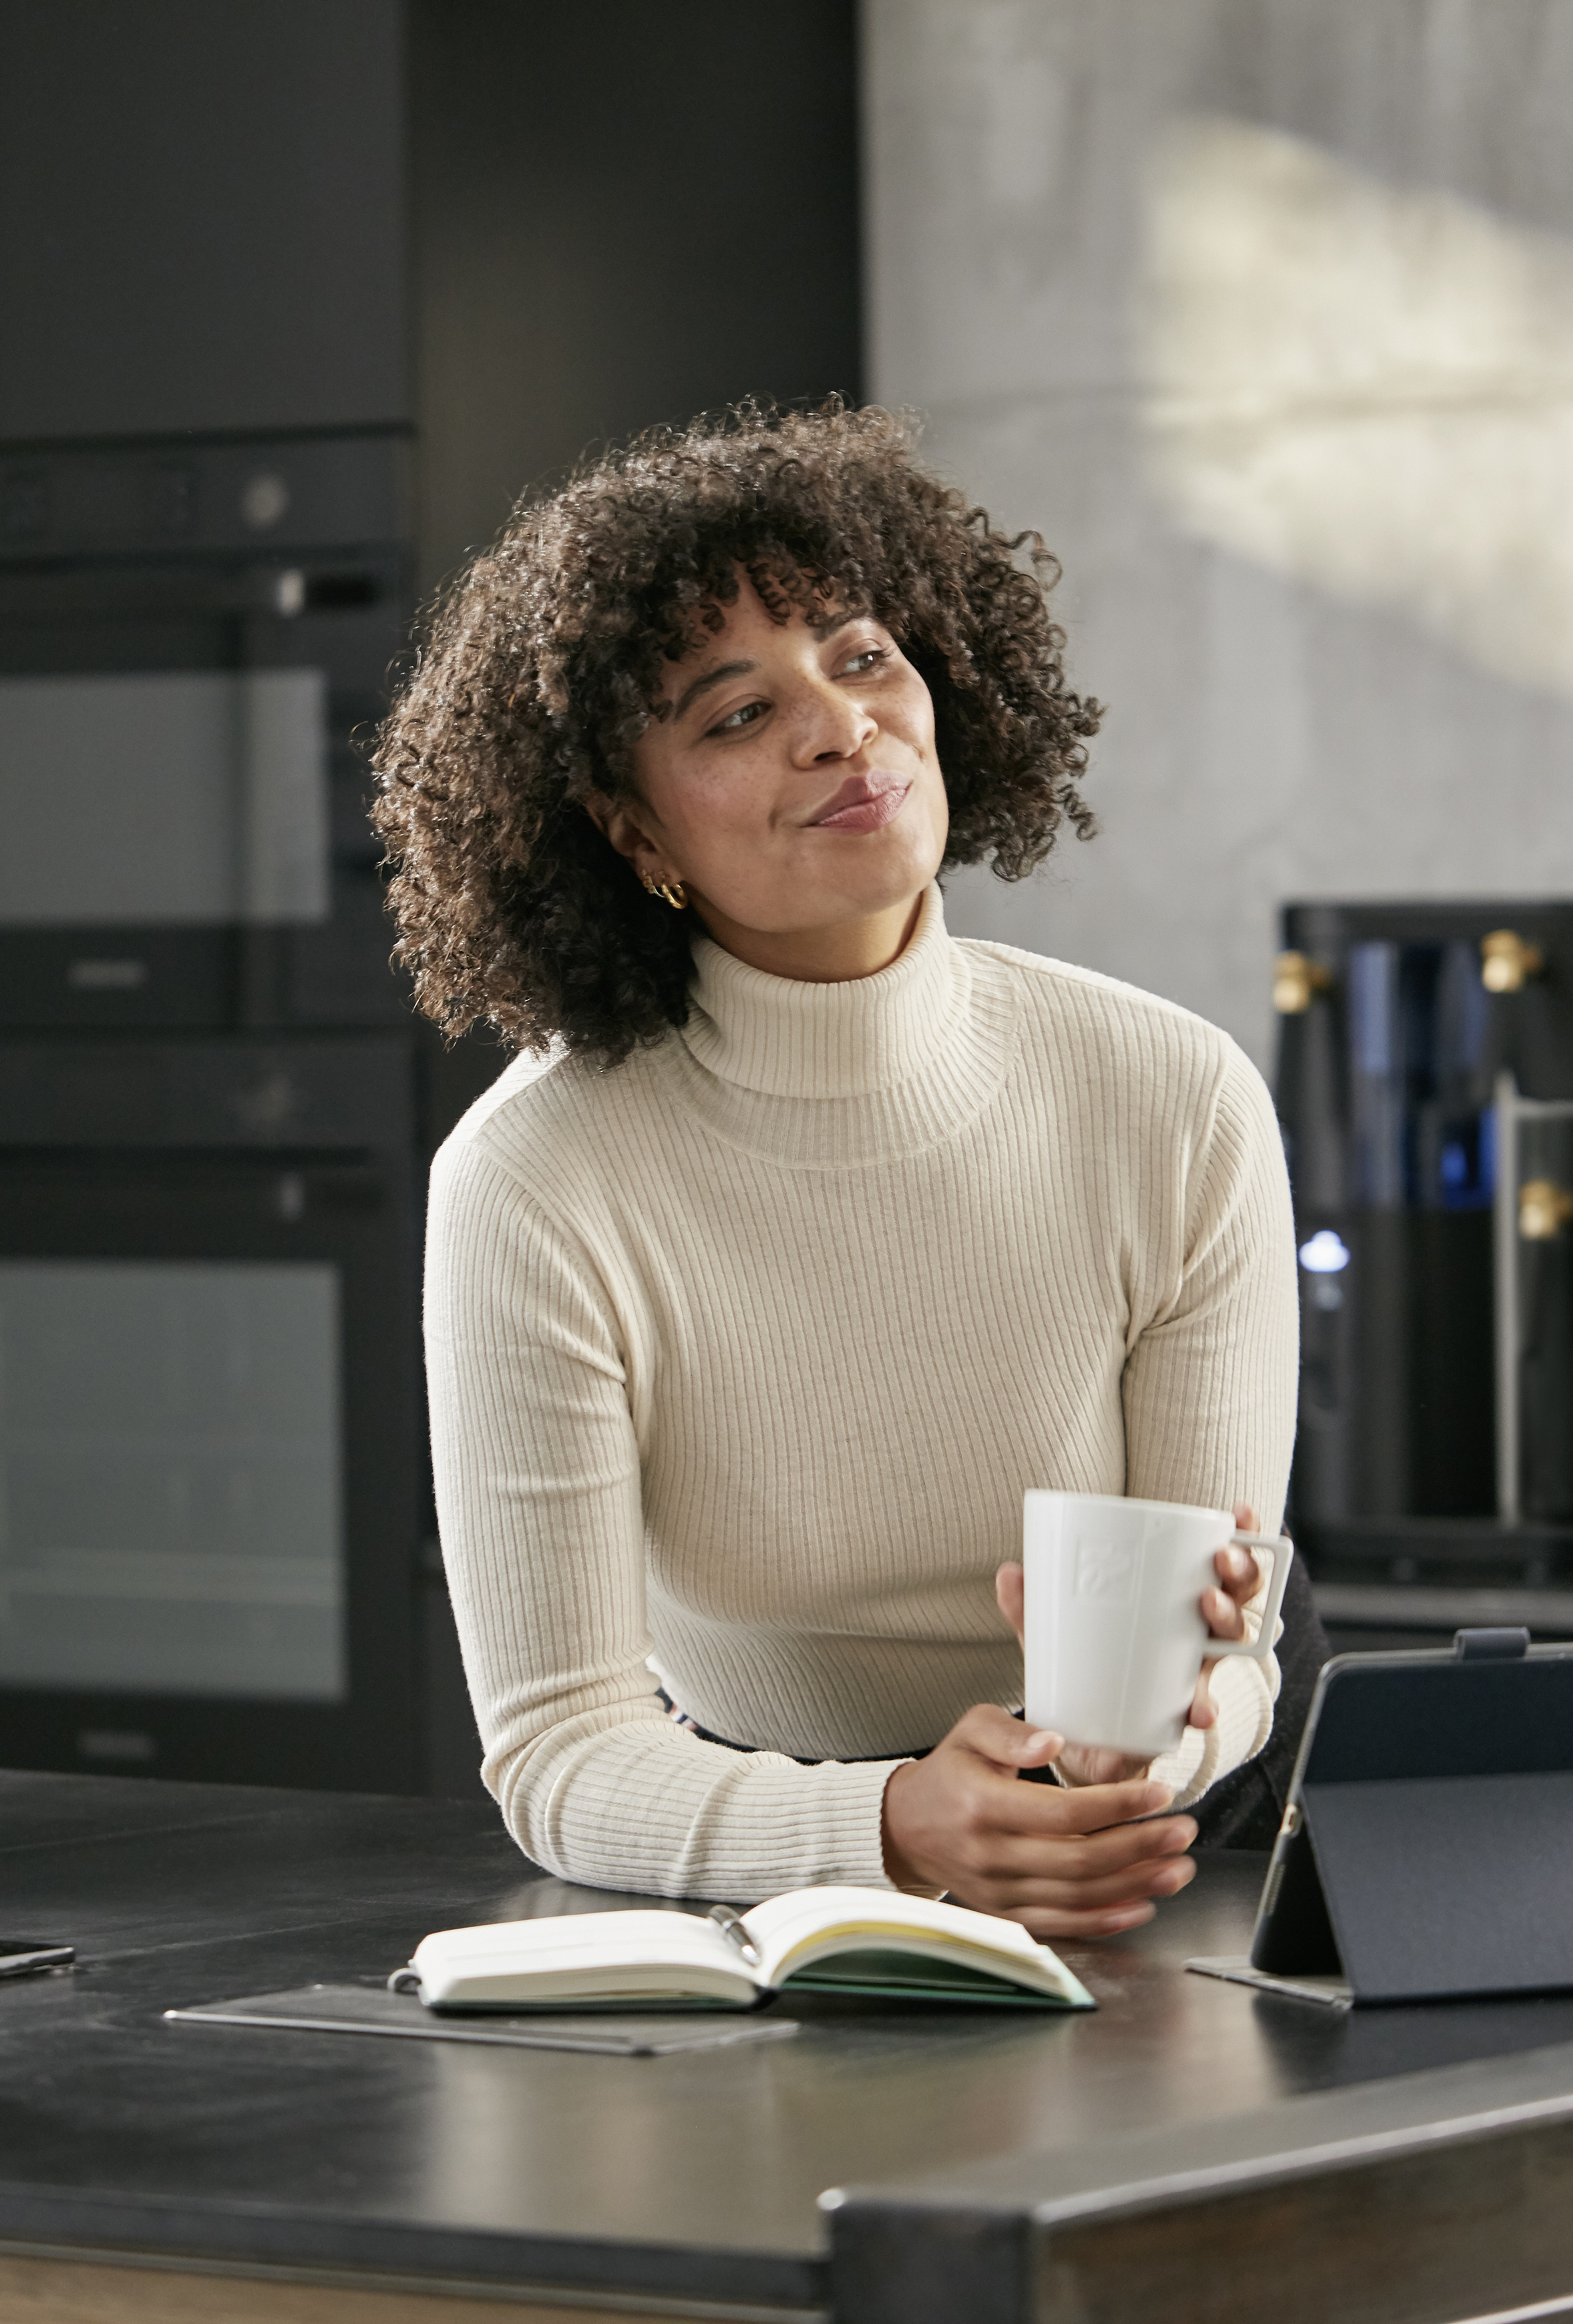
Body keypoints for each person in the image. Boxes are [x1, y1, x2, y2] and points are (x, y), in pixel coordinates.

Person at [374, 403, 1321, 1940]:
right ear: (628, 829)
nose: (838, 726)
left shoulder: (1174, 1094)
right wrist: (890, 1824)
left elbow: (1228, 1654)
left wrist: (1140, 1740)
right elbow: (556, 1750)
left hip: (1174, 1851)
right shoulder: (537, 1180)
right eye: (733, 715)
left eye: (862, 655)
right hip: (777, 1857)